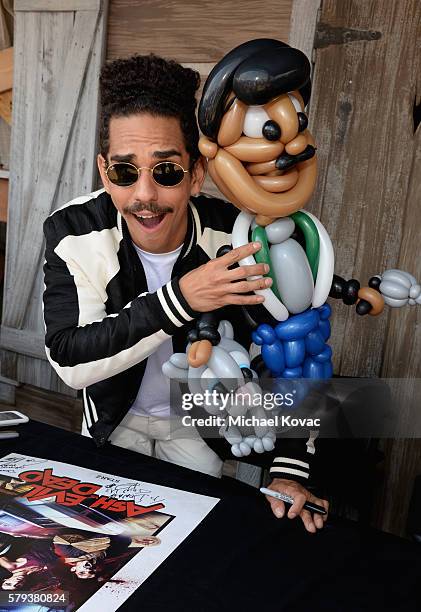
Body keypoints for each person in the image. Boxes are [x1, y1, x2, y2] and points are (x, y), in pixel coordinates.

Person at [42, 53, 328, 532]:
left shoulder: (240, 238)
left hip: (201, 426)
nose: (145, 196)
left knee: (185, 544)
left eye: (167, 172)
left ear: (196, 173)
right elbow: (71, 362)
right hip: (115, 424)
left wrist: (290, 468)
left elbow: (296, 352)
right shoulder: (73, 231)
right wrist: (182, 300)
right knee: (104, 543)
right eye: (124, 172)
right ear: (102, 171)